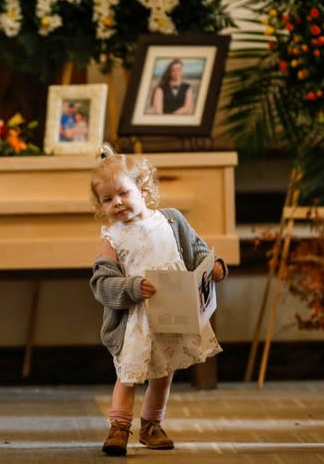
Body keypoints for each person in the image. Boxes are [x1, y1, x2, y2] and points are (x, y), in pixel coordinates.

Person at [89, 143, 228, 455]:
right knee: (128, 374)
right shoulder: (113, 237)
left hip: (172, 312)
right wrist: (133, 287)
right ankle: (119, 428)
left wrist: (215, 268)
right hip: (135, 321)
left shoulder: (170, 220)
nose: (117, 203)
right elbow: (102, 283)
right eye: (108, 199)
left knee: (163, 373)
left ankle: (151, 425)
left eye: (123, 193)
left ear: (142, 188)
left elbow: (198, 251)